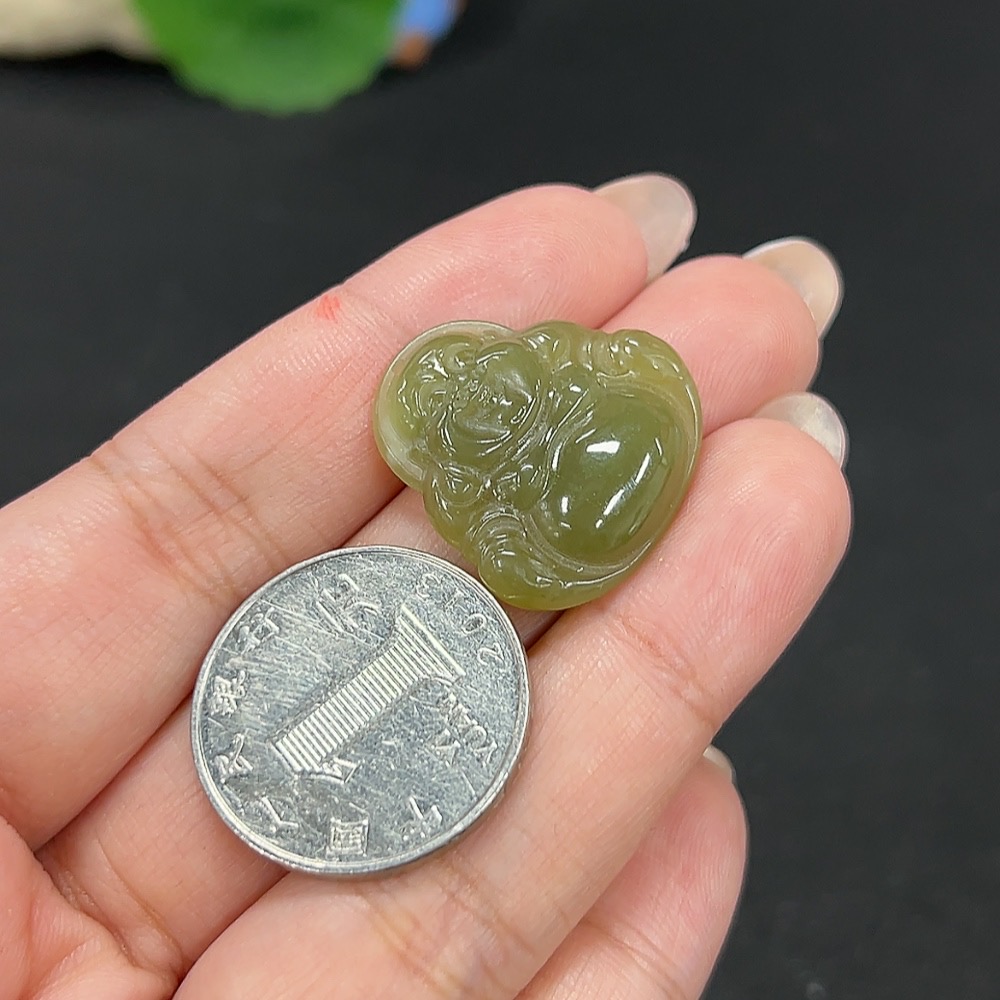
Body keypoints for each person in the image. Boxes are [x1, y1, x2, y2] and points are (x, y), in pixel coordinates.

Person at [0, 174, 850, 998]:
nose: (481, 402)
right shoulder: (473, 488)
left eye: (478, 382)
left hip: (603, 451)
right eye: (459, 406)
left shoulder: (575, 373)